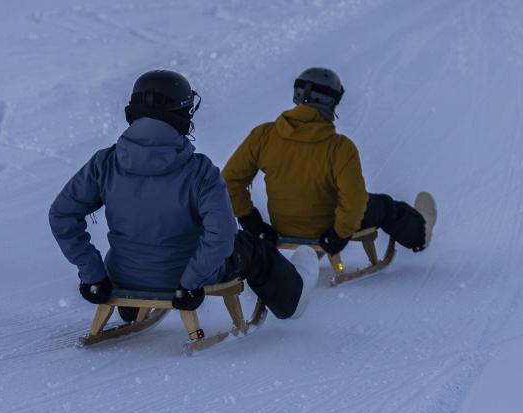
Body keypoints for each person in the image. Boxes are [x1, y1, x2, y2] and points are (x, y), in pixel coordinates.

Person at [49, 70, 320, 321]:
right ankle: (292, 299)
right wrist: (190, 282)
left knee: (135, 242)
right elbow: (222, 234)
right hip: (183, 281)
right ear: (182, 115)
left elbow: (62, 214)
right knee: (245, 244)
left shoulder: (104, 163)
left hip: (124, 275)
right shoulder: (199, 171)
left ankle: (131, 309)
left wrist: (93, 274)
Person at [222, 67, 436, 260]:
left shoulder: (263, 135)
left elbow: (229, 181)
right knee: (384, 206)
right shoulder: (340, 148)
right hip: (327, 229)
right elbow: (354, 201)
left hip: (283, 225)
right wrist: (338, 235)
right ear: (331, 103)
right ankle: (420, 234)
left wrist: (252, 222)